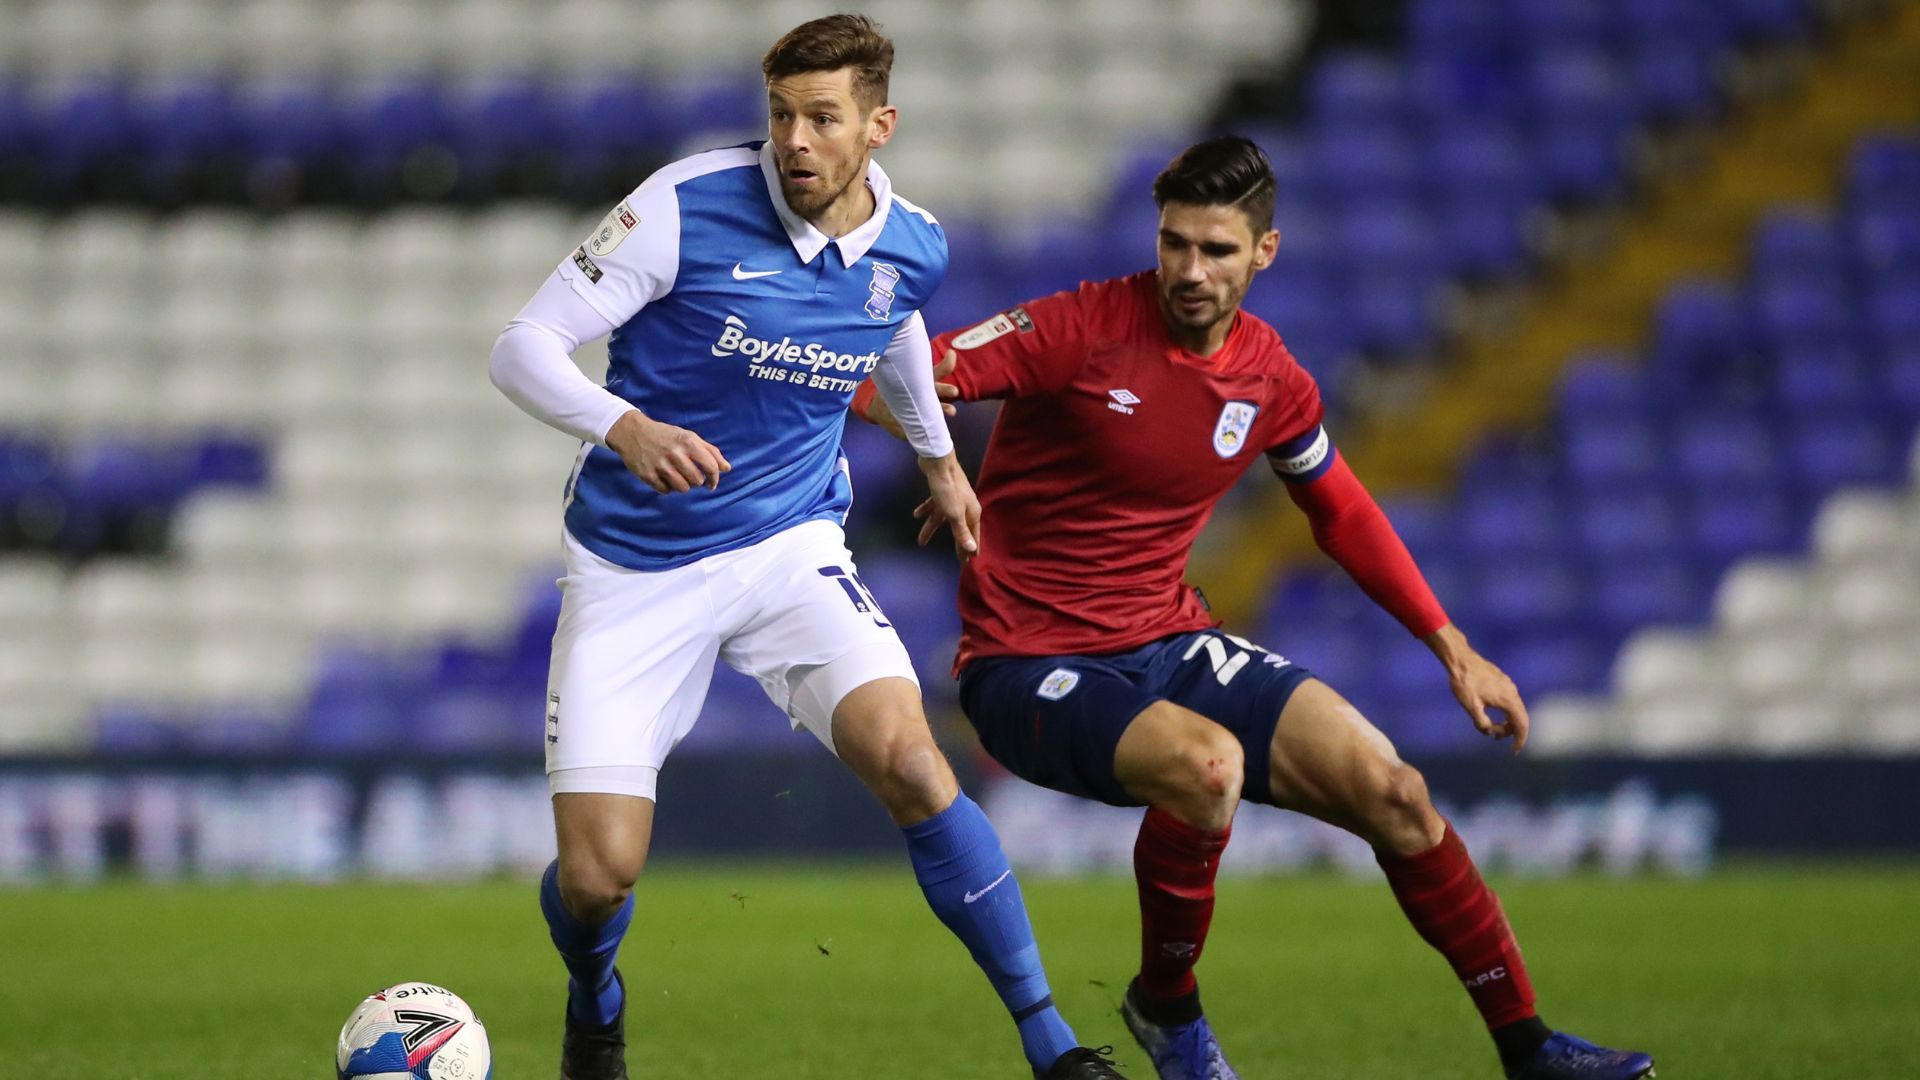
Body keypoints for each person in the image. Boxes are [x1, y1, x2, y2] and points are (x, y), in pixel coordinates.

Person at [855, 136, 1655, 1080]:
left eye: (1217, 251)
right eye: (1175, 244)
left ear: (1264, 253)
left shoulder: (1270, 377)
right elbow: (884, 381)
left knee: (1395, 793)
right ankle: (1171, 1012)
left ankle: (1528, 1049)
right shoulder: (1079, 326)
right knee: (1208, 768)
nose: (1189, 271)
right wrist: (942, 463)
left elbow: (1342, 512)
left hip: (1167, 639)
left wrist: (1454, 649)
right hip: (1026, 663)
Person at [488, 15, 1125, 1080]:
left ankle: (1053, 1044)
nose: (794, 139)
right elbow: (520, 348)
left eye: (822, 118)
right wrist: (623, 426)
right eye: (780, 114)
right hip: (635, 565)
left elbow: (899, 323)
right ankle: (596, 996)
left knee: (918, 764)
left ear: (878, 125)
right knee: (599, 879)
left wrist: (938, 459)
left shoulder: (914, 241)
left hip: (790, 545)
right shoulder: (681, 207)